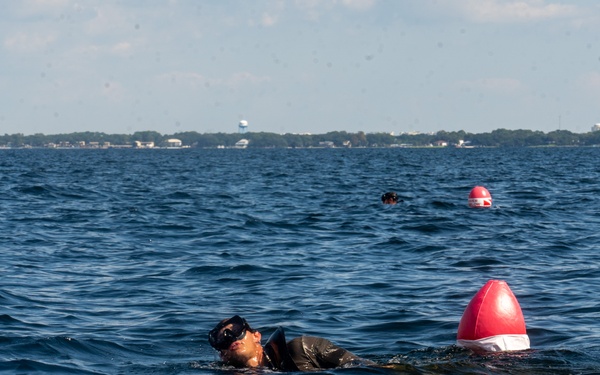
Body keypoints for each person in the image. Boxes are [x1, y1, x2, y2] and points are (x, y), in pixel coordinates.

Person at [208, 315, 372, 371]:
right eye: (223, 339)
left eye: (235, 330)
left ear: (256, 336)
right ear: (223, 356)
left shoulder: (303, 349)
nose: (232, 338)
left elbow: (367, 368)